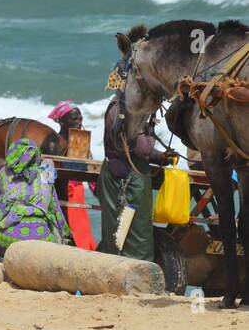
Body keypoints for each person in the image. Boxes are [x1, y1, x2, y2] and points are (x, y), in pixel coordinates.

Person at [99, 94, 170, 261]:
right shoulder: (124, 110)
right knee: (134, 233)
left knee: (137, 231)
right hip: (124, 181)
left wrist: (160, 157)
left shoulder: (126, 107)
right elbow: (143, 149)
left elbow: (138, 149)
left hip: (130, 176)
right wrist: (151, 135)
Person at [0, 138, 70, 259]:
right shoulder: (46, 174)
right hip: (41, 239)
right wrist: (64, 234)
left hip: (7, 241)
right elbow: (54, 208)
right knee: (55, 233)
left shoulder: (3, 173)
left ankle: (1, 257)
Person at [47, 100, 97, 250]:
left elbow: (86, 168)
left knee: (80, 230)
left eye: (80, 118)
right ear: (62, 121)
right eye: (74, 119)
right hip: (59, 192)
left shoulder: (80, 140)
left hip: (76, 191)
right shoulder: (53, 143)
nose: (78, 122)